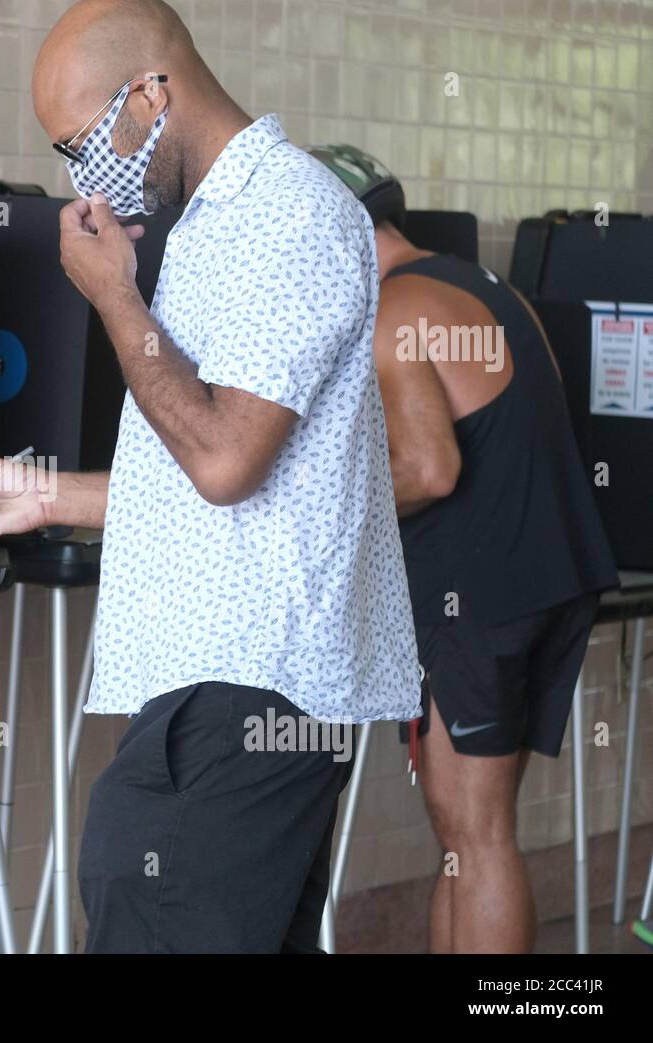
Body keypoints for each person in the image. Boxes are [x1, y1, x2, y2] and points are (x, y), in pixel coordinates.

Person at [0, 0, 420, 953]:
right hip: (220, 682)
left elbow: (224, 460)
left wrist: (114, 295)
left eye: (84, 141)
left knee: (144, 898)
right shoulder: (211, 226)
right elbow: (223, 469)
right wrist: (44, 497)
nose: (80, 174)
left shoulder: (289, 214)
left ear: (152, 94)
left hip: (250, 681)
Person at [311, 144, 619, 953]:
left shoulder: (391, 313)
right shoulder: (482, 285)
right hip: (552, 579)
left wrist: (317, 504)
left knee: (474, 836)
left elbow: (428, 467)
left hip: (479, 600)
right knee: (467, 834)